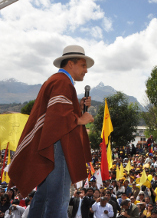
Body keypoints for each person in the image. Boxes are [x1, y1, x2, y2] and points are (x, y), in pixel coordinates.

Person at [9, 45, 94, 217]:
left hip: (52, 144)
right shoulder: (62, 82)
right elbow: (57, 116)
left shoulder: (56, 80)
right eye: (83, 65)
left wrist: (77, 107)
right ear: (71, 63)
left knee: (44, 196)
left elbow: (54, 112)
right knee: (58, 199)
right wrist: (80, 118)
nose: (86, 70)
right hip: (59, 145)